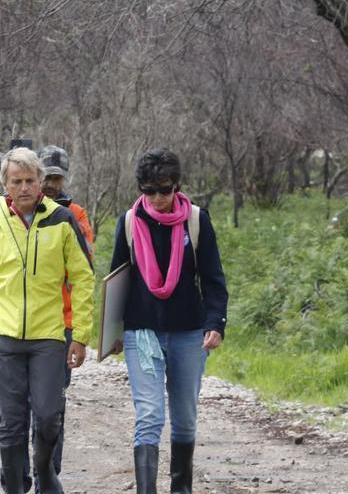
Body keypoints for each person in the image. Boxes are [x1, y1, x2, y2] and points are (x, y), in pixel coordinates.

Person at [0, 147, 95, 494]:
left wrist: (80, 334)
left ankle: (46, 476)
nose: (25, 187)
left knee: (48, 415)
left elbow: (83, 278)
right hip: (4, 337)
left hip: (48, 337)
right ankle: (14, 487)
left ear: (41, 181)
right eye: (16, 181)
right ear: (5, 184)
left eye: (31, 180)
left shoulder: (62, 220)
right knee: (12, 422)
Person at [109, 148, 228, 494]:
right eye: (149, 190)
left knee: (185, 417)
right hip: (141, 332)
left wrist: (215, 323)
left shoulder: (196, 220)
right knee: (149, 415)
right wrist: (112, 332)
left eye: (164, 189)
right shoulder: (130, 222)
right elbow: (118, 278)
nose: (158, 198)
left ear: (177, 185)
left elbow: (213, 279)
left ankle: (181, 488)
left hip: (189, 332)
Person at [4, 145, 95, 493]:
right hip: (18, 327)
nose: (53, 185)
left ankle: (48, 473)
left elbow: (84, 266)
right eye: (49, 178)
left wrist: (82, 330)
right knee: (19, 407)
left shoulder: (73, 215)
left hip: (63, 322)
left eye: (57, 178)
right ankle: (20, 475)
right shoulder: (11, 213)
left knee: (50, 405)